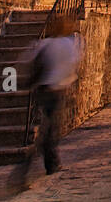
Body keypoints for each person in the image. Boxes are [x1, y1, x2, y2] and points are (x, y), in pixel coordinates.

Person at [23, 27, 84, 175]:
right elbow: (74, 64)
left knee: (48, 125)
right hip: (56, 89)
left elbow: (28, 58)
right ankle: (48, 160)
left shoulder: (45, 43)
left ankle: (45, 156)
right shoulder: (67, 44)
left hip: (43, 88)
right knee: (52, 127)